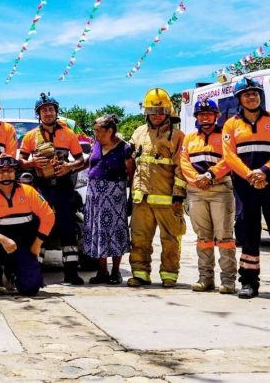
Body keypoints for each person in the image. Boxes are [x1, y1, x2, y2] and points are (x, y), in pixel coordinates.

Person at [222, 77, 270, 300]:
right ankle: (248, 282)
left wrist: (264, 172)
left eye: (255, 93)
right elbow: (229, 156)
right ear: (239, 99)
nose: (252, 97)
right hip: (244, 185)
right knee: (248, 232)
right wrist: (249, 175)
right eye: (247, 94)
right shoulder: (231, 124)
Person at [19, 93, 85, 285]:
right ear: (38, 114)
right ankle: (36, 272)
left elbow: (81, 159)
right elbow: (21, 162)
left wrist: (69, 167)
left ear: (56, 111)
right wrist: (31, 162)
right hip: (42, 187)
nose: (47, 113)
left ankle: (71, 273)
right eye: (43, 110)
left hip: (64, 187)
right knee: (40, 226)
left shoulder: (68, 133)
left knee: (68, 227)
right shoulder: (31, 136)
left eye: (51, 109)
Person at [126, 88, 186, 289]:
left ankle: (169, 275)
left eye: (161, 111)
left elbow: (182, 167)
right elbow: (132, 161)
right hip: (141, 199)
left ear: (169, 111)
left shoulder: (177, 136)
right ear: (146, 113)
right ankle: (140, 274)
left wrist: (178, 196)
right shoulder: (138, 133)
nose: (157, 115)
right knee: (139, 238)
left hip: (167, 199)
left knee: (170, 239)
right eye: (152, 111)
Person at [0, 156, 55, 298]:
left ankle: (11, 276)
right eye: (0, 171)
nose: (5, 174)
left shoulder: (28, 192)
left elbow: (48, 215)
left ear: (15, 172)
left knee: (31, 289)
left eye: (9, 170)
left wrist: (37, 244)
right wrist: (3, 239)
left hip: (22, 247)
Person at [178, 98, 236, 294]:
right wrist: (196, 179)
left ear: (216, 116)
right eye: (201, 114)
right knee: (203, 237)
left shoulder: (226, 136)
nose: (205, 117)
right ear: (196, 117)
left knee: (225, 237)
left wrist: (211, 175)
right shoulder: (190, 138)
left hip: (220, 189)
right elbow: (184, 162)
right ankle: (205, 279)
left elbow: (230, 159)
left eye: (209, 114)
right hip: (196, 191)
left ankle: (228, 280)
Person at [82, 114, 134, 285]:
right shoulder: (96, 144)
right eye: (95, 131)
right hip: (95, 195)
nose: (96, 135)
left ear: (110, 131)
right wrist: (69, 166)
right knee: (99, 232)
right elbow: (88, 162)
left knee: (115, 232)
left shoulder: (124, 148)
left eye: (99, 131)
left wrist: (131, 198)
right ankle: (102, 271)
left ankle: (115, 272)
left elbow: (131, 175)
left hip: (114, 196)